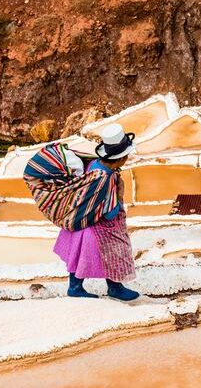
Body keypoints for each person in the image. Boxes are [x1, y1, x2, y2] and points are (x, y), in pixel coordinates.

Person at [52, 123, 139, 301]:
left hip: (83, 221)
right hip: (97, 226)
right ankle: (114, 288)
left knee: (79, 256)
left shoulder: (93, 164)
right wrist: (119, 197)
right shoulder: (103, 179)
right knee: (115, 251)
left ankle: (77, 287)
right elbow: (109, 213)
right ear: (120, 158)